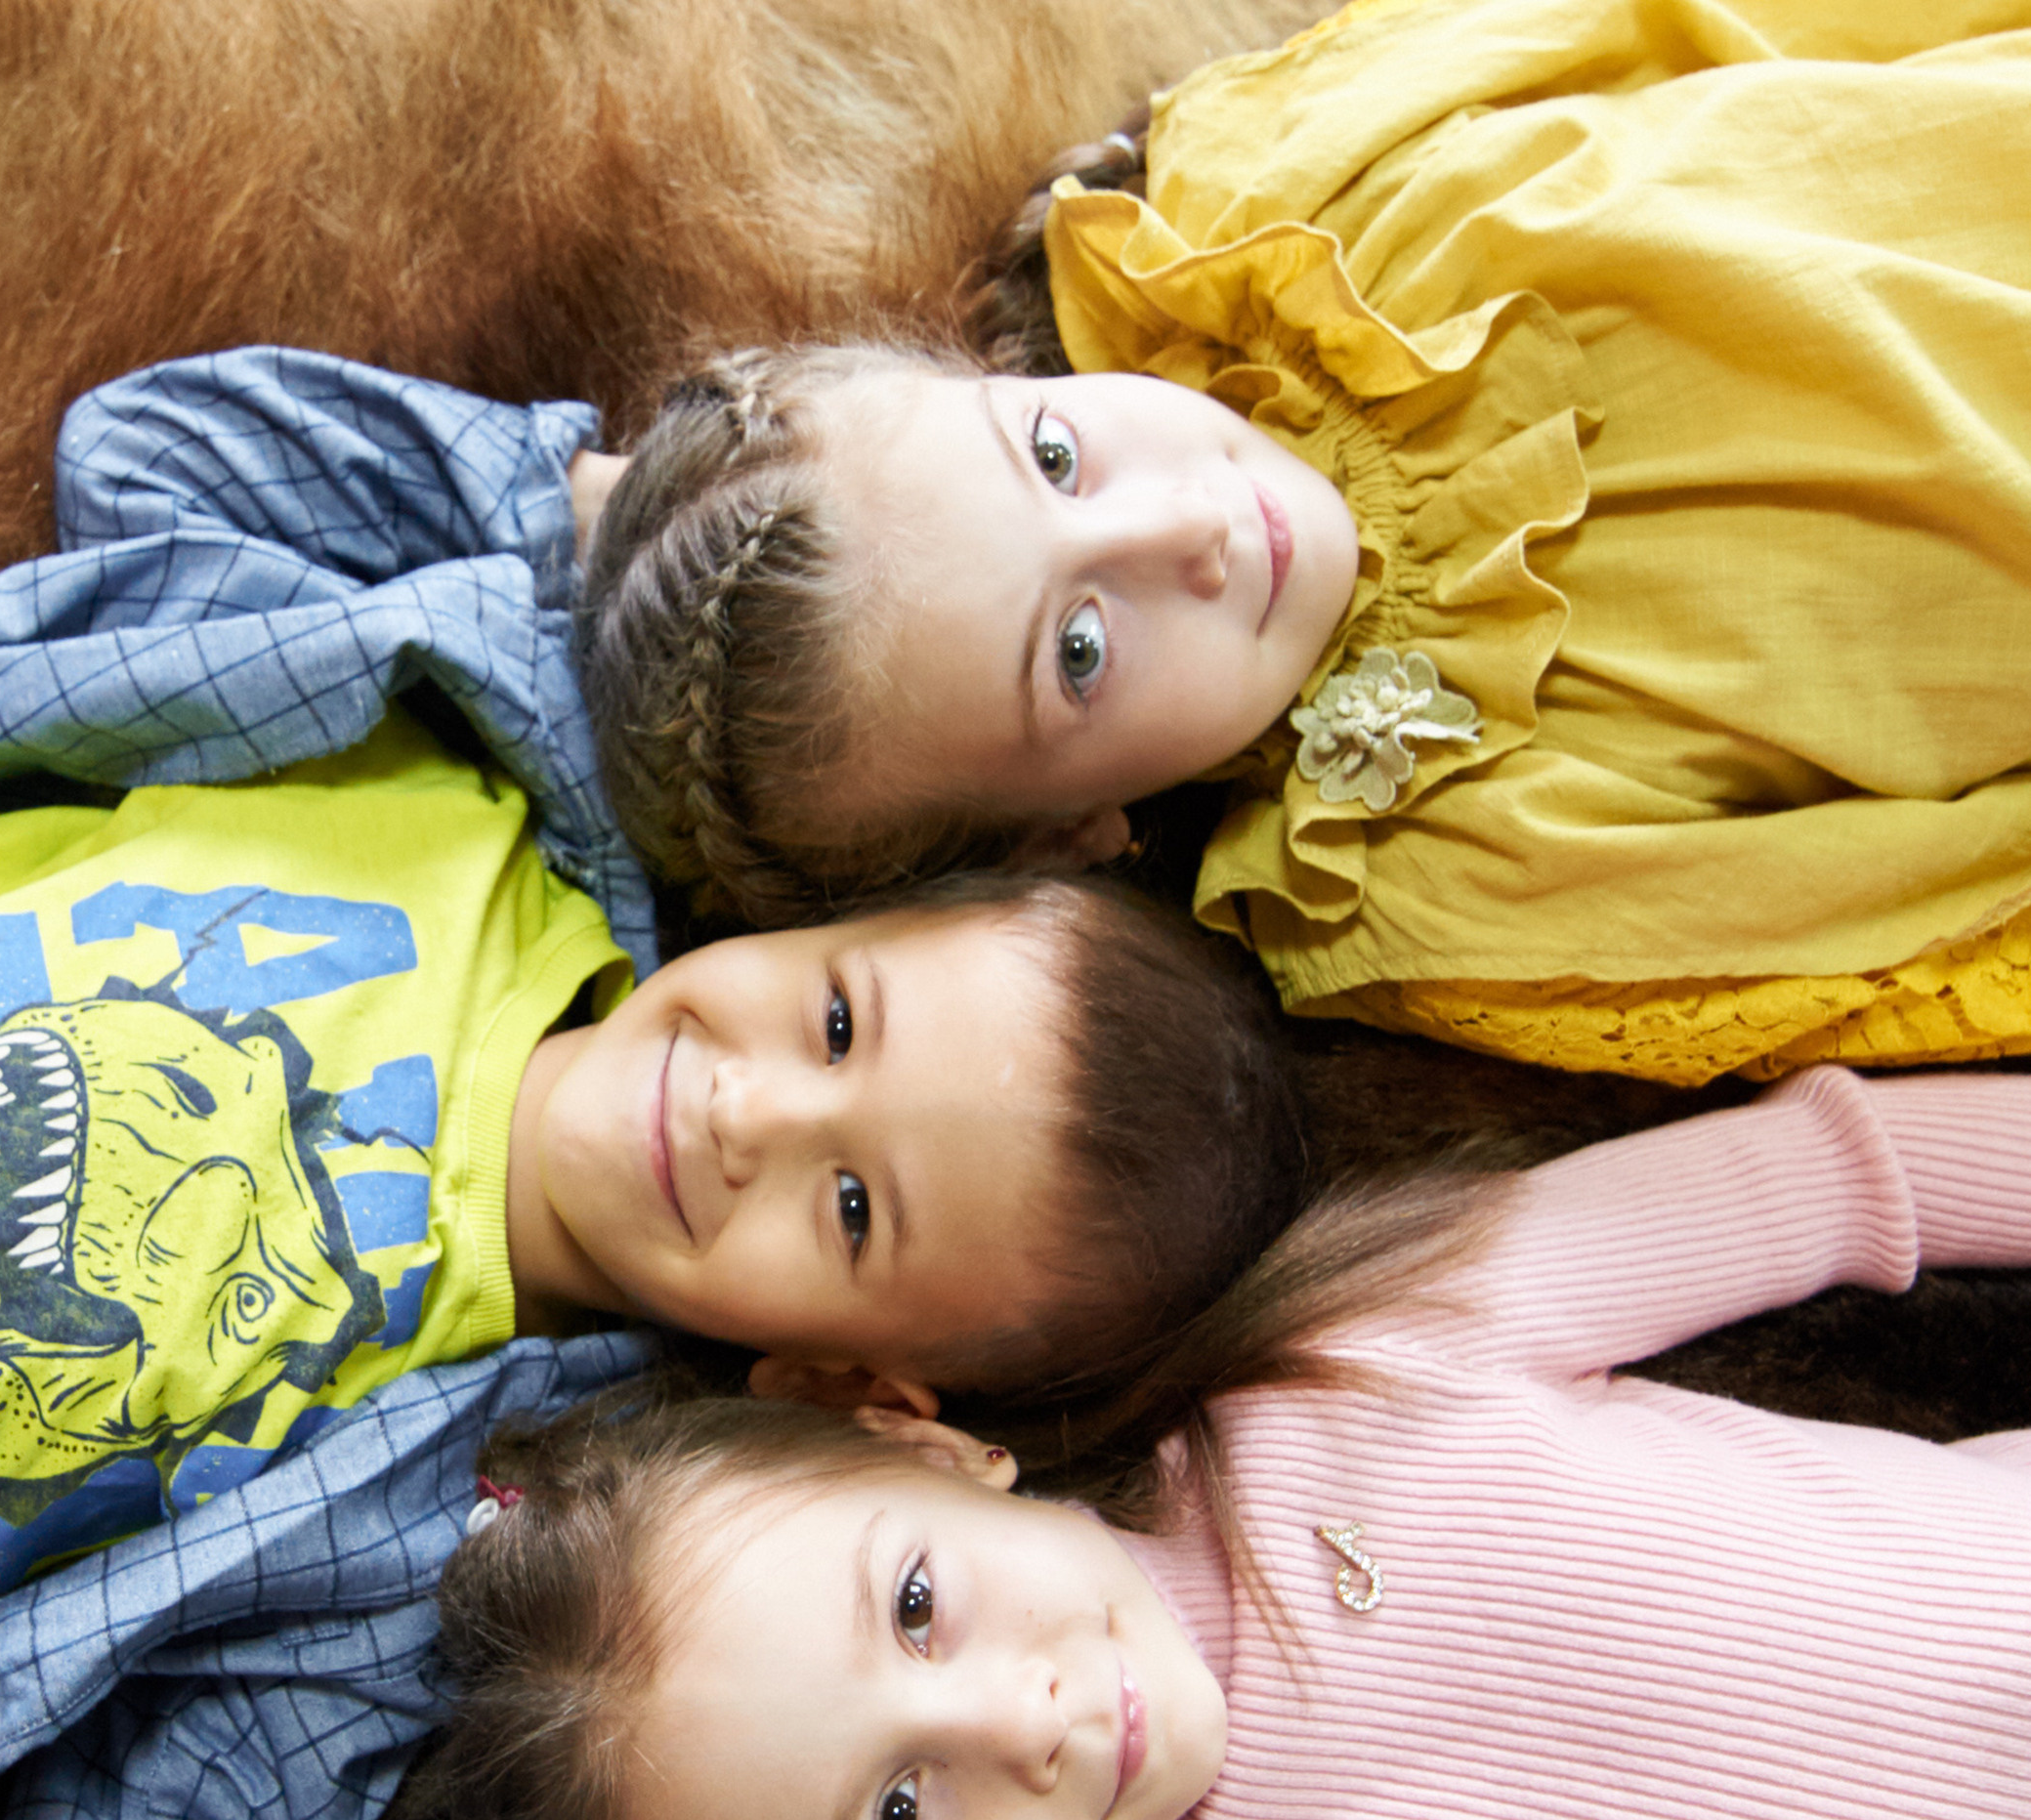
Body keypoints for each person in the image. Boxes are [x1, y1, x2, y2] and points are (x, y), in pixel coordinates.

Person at [0, 346, 1299, 1677]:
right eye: (832, 1027)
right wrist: (654, 533)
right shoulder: (480, 766)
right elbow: (139, 454)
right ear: (824, 911)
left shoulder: (487, 1503)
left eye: (849, 1207)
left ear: (836, 1379)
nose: (749, 1115)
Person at [419, 1062, 2031, 1820]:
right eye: (900, 1817)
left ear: (922, 1443)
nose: (1017, 1721)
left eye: (918, 1604)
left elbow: (1830, 1177)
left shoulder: (1363, 1350)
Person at [580, 0, 2031, 1086]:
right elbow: (1925, 924)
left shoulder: (1282, 192)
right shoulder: (1438, 881)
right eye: (1079, 651)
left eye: (1053, 452)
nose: (1185, 526)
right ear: (1066, 835)